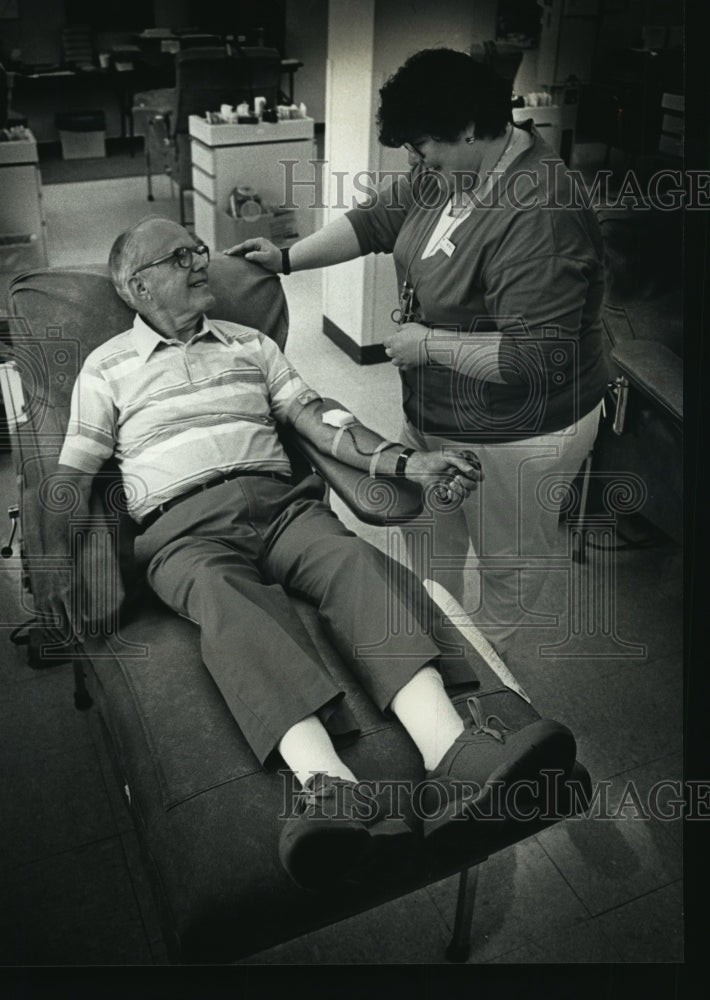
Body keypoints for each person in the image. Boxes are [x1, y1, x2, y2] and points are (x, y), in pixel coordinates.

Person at [42, 215, 576, 892]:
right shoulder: (108, 367)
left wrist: (406, 463)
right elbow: (72, 476)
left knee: (351, 562)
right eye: (181, 256)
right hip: (182, 531)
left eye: (198, 248)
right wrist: (56, 562)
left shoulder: (248, 342)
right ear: (139, 286)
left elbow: (318, 416)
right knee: (227, 605)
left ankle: (453, 754)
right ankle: (330, 789)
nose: (201, 259)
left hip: (282, 505)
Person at [228, 47, 609, 657]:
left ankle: (488, 698)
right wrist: (288, 259)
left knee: (508, 574)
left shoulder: (541, 211)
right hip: (438, 417)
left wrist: (426, 344)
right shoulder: (450, 172)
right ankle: (440, 656)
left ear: (466, 128)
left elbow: (534, 360)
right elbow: (376, 220)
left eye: (421, 145)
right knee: (431, 550)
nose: (414, 161)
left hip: (524, 432)